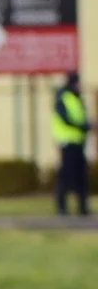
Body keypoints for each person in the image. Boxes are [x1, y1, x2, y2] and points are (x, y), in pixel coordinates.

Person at [52, 71, 90, 217]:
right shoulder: (63, 98)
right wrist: (84, 126)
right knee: (66, 176)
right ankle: (62, 208)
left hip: (78, 142)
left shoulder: (77, 98)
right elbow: (66, 119)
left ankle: (83, 208)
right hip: (67, 143)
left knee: (81, 177)